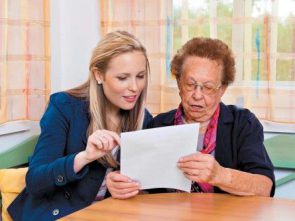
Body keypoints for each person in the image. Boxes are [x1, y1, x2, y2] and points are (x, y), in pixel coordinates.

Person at [8, 30, 152, 220]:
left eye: (140, 76)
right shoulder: (64, 107)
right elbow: (35, 181)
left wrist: (120, 186)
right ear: (98, 75)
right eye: (123, 78)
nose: (134, 87)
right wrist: (84, 157)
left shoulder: (144, 119)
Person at [106, 37, 275, 199]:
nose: (197, 95)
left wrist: (220, 175)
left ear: (222, 89)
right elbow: (144, 191)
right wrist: (123, 187)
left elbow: (265, 187)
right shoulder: (158, 125)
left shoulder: (243, 123)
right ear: (179, 83)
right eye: (190, 84)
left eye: (208, 87)